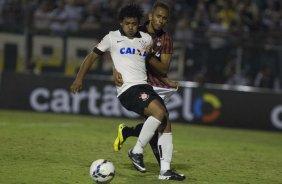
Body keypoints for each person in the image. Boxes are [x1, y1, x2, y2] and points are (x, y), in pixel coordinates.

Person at [70, 3, 185, 181]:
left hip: (145, 86)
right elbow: (93, 56)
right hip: (129, 89)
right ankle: (136, 151)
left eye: (133, 23)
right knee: (159, 113)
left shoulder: (146, 39)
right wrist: (79, 78)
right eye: (127, 23)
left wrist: (164, 80)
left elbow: (147, 63)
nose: (131, 27)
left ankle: (165, 171)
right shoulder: (112, 37)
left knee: (165, 120)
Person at [113, 1, 184, 181]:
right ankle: (157, 164)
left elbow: (163, 69)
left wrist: (146, 53)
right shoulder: (137, 30)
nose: (161, 21)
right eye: (158, 16)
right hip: (139, 84)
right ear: (150, 17)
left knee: (159, 122)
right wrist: (115, 69)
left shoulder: (166, 39)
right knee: (161, 120)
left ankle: (131, 138)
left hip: (158, 86)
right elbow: (119, 50)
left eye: (164, 19)